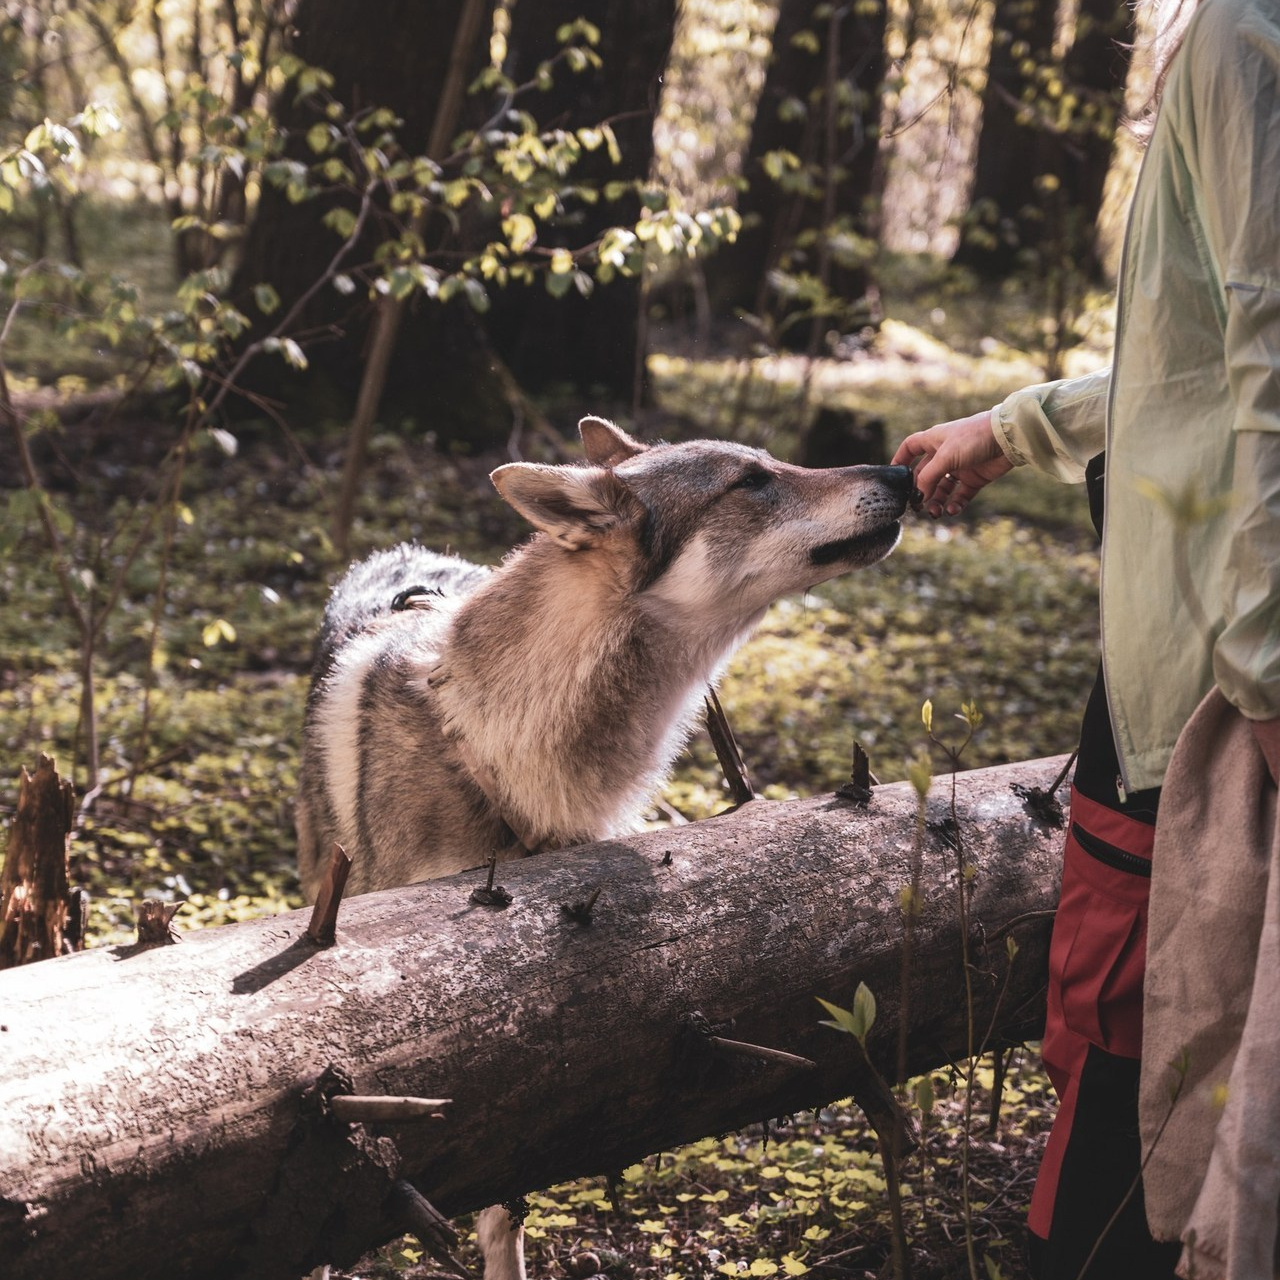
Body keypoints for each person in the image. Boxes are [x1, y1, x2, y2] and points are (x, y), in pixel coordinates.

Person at [892, 0, 1280, 1276]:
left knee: (1136, 1077)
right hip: (1213, 662)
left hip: (1217, 690)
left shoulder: (1239, 27)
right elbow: (1200, 360)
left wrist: (1268, 676)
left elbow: (1266, 364)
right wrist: (1016, 426)